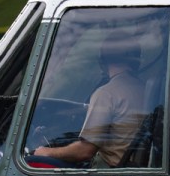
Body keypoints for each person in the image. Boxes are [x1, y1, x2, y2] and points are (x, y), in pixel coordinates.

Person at [33, 31, 148, 167]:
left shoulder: (106, 94)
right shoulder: (144, 90)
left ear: (103, 61)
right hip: (132, 166)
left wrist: (47, 152)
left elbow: (86, 151)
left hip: (110, 171)